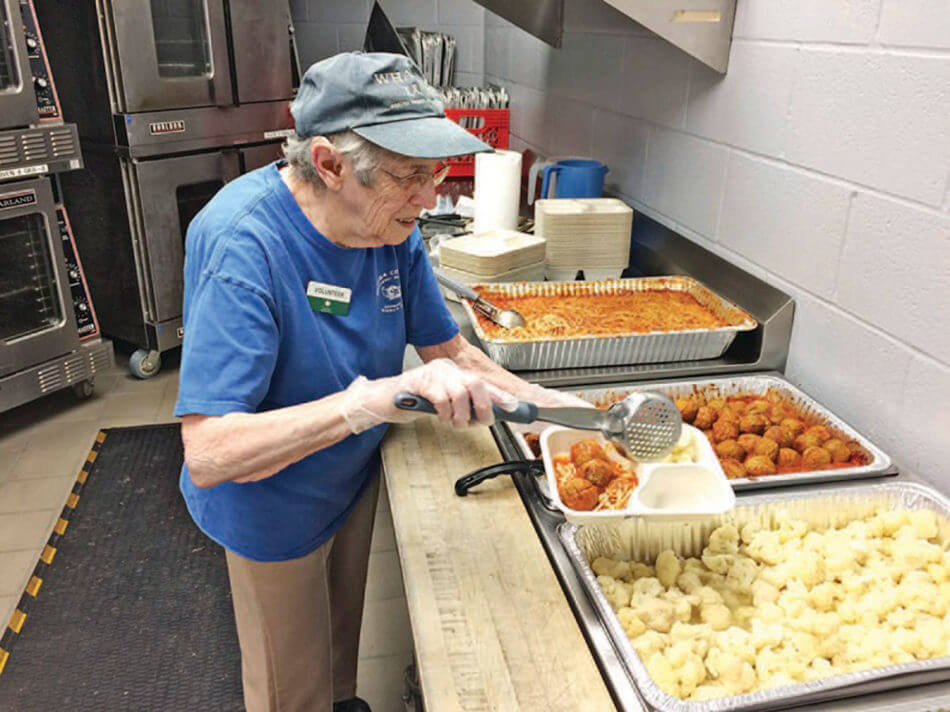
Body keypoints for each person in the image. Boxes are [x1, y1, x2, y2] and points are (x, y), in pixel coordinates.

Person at [175, 52, 585, 712]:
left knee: (338, 654)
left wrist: (558, 409)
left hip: (349, 472)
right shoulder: (243, 244)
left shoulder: (389, 225)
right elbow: (212, 454)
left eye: (435, 175)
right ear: (330, 165)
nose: (430, 199)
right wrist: (367, 401)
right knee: (290, 688)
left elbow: (451, 350)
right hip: (271, 504)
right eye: (409, 177)